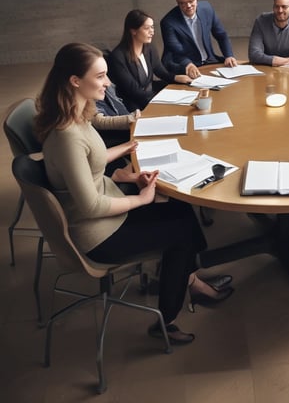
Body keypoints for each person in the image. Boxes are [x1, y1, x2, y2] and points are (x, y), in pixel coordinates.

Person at [35, 43, 233, 345]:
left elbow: (91, 162)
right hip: (97, 234)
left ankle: (186, 280)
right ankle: (166, 321)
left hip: (105, 210)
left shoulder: (76, 114)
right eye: (101, 77)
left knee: (179, 207)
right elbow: (90, 205)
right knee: (180, 234)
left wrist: (126, 159)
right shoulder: (67, 137)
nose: (108, 83)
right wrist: (140, 198)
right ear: (75, 81)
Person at [108, 9, 192, 112]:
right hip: (134, 103)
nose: (152, 31)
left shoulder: (149, 47)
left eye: (152, 27)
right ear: (133, 31)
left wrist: (176, 77)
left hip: (150, 94)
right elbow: (133, 91)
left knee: (185, 94)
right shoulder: (118, 56)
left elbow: (160, 71)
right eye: (147, 28)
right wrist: (163, 98)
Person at [160, 0, 237, 79]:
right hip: (186, 65)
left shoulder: (207, 8)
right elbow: (175, 51)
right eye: (182, 3)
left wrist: (228, 55)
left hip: (210, 60)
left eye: (191, 1)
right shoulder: (168, 22)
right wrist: (188, 64)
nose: (188, 6)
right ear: (177, 2)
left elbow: (221, 35)